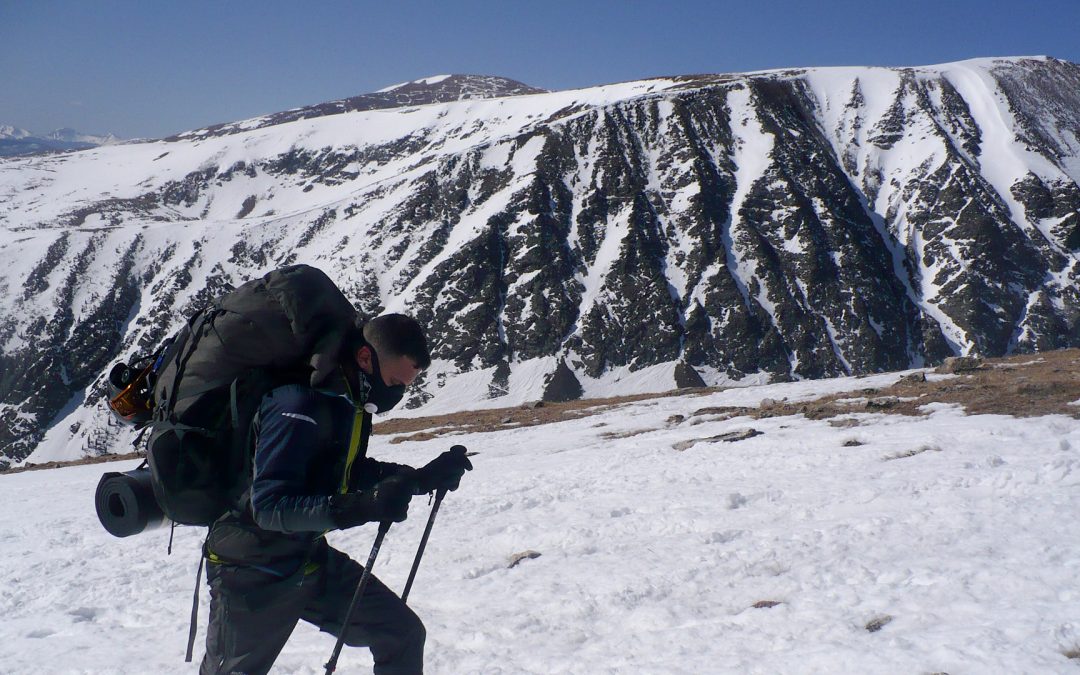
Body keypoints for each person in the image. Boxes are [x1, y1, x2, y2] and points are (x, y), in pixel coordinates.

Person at [200, 313, 472, 675]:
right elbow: (268, 506)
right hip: (251, 567)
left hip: (304, 555)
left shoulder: (346, 402)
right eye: (393, 381)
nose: (395, 393)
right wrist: (361, 507)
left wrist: (418, 479)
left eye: (404, 386)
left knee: (401, 632)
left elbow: (347, 471)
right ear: (364, 358)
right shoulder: (297, 406)